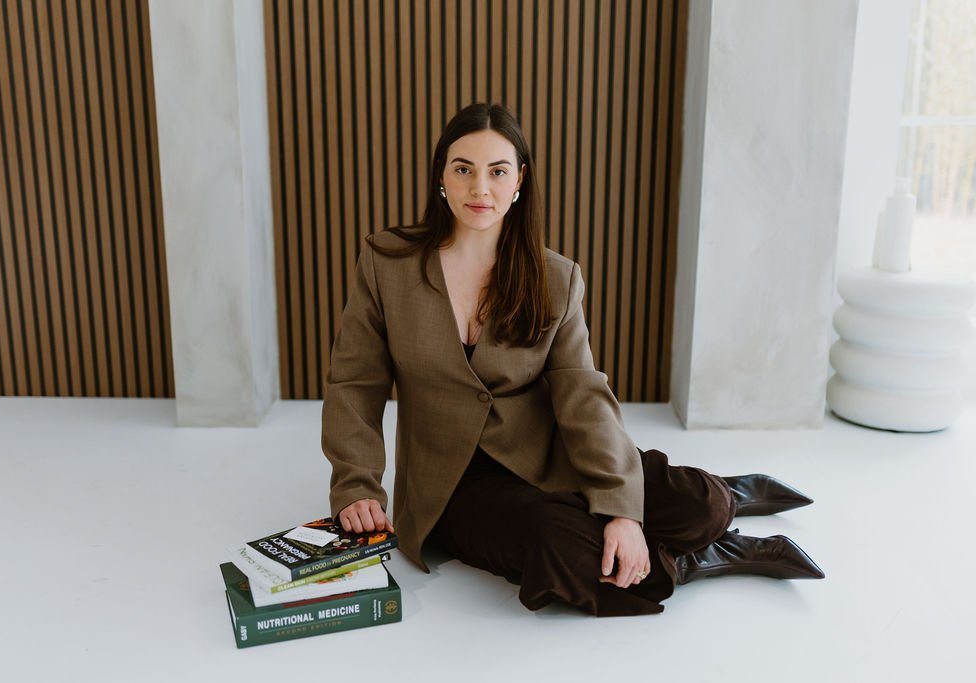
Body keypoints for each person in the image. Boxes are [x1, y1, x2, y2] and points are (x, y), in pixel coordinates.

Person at [321, 103, 823, 617]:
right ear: (441, 176)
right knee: (558, 543)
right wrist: (356, 483)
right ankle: (705, 557)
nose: (480, 189)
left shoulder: (556, 279)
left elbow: (583, 395)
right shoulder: (388, 264)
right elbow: (355, 381)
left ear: (519, 181)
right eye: (463, 169)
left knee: (703, 505)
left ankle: (725, 498)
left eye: (497, 171)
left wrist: (623, 512)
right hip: (454, 488)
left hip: (551, 454)